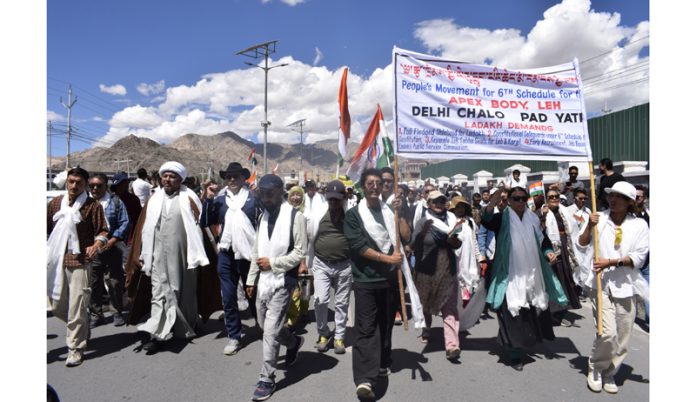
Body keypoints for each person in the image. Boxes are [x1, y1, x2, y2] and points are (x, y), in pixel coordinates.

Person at [125, 161, 221, 354]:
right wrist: (140, 254)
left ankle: (186, 325)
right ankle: (157, 335)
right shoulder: (153, 200)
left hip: (185, 257)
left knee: (184, 293)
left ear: (180, 179)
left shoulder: (190, 198)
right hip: (157, 256)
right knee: (159, 293)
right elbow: (142, 230)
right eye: (165, 176)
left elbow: (204, 229)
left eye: (172, 176)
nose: (167, 179)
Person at [482, 186, 568, 371]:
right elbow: (486, 219)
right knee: (511, 312)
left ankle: (510, 341)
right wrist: (494, 200)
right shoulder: (502, 217)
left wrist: (548, 252)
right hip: (509, 275)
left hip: (531, 273)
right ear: (509, 200)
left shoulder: (533, 218)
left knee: (524, 314)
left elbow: (543, 239)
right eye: (516, 198)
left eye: (523, 198)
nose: (520, 202)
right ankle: (514, 354)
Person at [344, 168, 411, 399]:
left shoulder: (389, 211)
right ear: (363, 187)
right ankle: (365, 379)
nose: (374, 186)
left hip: (390, 280)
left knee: (385, 326)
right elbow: (359, 247)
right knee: (366, 329)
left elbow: (405, 237)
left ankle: (383, 361)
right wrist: (388, 258)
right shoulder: (354, 215)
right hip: (365, 280)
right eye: (370, 183)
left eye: (378, 183)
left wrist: (399, 213)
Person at [577, 181, 649, 394]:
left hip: (627, 285)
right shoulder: (598, 219)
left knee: (624, 333)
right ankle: (596, 368)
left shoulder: (639, 225)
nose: (613, 199)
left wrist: (612, 262)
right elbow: (581, 243)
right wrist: (589, 226)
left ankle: (611, 371)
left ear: (629, 202)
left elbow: (639, 257)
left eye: (619, 196)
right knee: (607, 332)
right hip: (602, 284)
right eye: (611, 195)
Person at [245, 174, 307, 402]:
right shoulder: (263, 216)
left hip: (283, 280)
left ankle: (267, 378)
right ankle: (293, 342)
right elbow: (256, 252)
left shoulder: (295, 217)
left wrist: (274, 264)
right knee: (264, 325)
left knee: (270, 330)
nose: (266, 197)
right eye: (263, 193)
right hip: (263, 281)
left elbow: (300, 252)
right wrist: (251, 279)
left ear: (281, 191)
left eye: (270, 193)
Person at [47, 167, 109, 367]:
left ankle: (75, 348)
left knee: (77, 306)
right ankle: (82, 325)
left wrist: (96, 244)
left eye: (79, 183)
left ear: (85, 185)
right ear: (67, 182)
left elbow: (103, 230)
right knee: (55, 306)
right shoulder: (55, 203)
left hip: (81, 261)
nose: (74, 186)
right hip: (56, 259)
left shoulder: (92, 206)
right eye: (71, 181)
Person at [201, 162, 260, 355]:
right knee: (228, 297)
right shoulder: (219, 200)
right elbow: (205, 222)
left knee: (253, 294)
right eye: (229, 177)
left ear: (244, 178)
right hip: (226, 254)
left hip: (248, 255)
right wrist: (208, 200)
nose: (232, 180)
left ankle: (261, 325)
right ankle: (234, 336)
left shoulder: (253, 199)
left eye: (236, 176)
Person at [411, 191, 462, 361]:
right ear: (429, 203)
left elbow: (457, 243)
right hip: (427, 272)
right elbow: (413, 246)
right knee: (426, 304)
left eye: (442, 201)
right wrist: (422, 233)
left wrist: (454, 240)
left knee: (450, 308)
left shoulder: (452, 221)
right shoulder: (423, 222)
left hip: (448, 270)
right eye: (435, 202)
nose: (439, 204)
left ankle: (452, 345)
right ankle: (426, 328)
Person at [308, 180, 352, 354]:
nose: (333, 202)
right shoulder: (318, 213)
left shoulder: (350, 214)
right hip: (321, 263)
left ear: (343, 198)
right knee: (320, 300)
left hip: (344, 265)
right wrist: (306, 262)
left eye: (337, 199)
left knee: (342, 303)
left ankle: (340, 336)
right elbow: (309, 236)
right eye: (330, 199)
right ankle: (323, 333)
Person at [87, 173, 130, 328]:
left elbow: (124, 223)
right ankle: (96, 313)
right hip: (92, 250)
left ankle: (116, 312)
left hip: (112, 248)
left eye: (99, 185)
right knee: (94, 282)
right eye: (92, 186)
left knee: (114, 281)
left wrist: (112, 240)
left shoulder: (115, 202)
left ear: (106, 186)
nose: (95, 189)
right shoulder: (85, 203)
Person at [538, 187, 582, 327]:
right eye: (551, 197)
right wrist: (542, 216)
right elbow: (539, 232)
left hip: (566, 248)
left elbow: (574, 229)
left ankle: (562, 310)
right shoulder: (543, 212)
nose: (554, 199)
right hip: (550, 248)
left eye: (556, 196)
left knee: (567, 278)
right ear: (546, 199)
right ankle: (554, 313)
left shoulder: (565, 211)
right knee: (556, 279)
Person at [284, 185, 311, 329]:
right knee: (294, 288)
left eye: (298, 195)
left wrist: (304, 261)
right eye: (293, 195)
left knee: (304, 286)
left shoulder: (306, 213)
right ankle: (292, 318)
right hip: (290, 255)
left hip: (305, 255)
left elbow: (305, 239)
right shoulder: (285, 212)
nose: (295, 198)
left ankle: (304, 312)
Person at [110, 172, 142, 245]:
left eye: (126, 182)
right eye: (122, 183)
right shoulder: (109, 200)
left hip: (130, 239)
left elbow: (138, 219)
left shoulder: (133, 199)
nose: (126, 185)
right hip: (113, 239)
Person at [634, 184, 649, 325]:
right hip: (629, 263)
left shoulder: (648, 215)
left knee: (649, 295)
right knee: (630, 295)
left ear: (644, 198)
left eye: (638, 197)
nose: (635, 199)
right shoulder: (626, 216)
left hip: (647, 262)